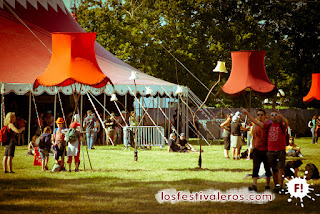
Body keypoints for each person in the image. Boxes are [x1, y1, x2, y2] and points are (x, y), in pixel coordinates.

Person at [241, 109, 272, 192]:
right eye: (258, 114)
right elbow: (254, 136)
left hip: (266, 149)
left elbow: (260, 125)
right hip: (257, 149)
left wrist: (247, 113)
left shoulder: (267, 123)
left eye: (261, 114)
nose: (260, 116)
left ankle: (267, 185)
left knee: (267, 168)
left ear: (265, 115)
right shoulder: (255, 125)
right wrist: (253, 147)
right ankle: (254, 185)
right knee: (255, 168)